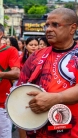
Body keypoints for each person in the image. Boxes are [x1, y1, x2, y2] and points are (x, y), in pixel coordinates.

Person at [17, 8, 78, 138]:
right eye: (47, 25)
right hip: (37, 132)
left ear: (72, 28)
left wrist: (56, 98)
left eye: (55, 25)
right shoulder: (35, 57)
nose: (48, 29)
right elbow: (19, 95)